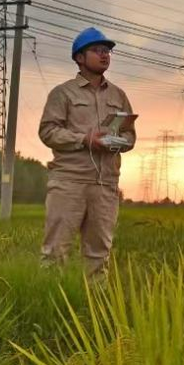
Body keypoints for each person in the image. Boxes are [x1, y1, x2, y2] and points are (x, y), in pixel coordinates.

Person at [38, 27, 137, 276]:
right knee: (55, 252)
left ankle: (93, 308)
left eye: (107, 51)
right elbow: (48, 131)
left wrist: (114, 141)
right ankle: (48, 306)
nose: (105, 55)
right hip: (69, 181)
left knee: (99, 255)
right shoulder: (63, 93)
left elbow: (130, 137)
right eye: (97, 50)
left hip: (105, 184)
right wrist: (85, 139)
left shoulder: (118, 95)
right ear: (79, 58)